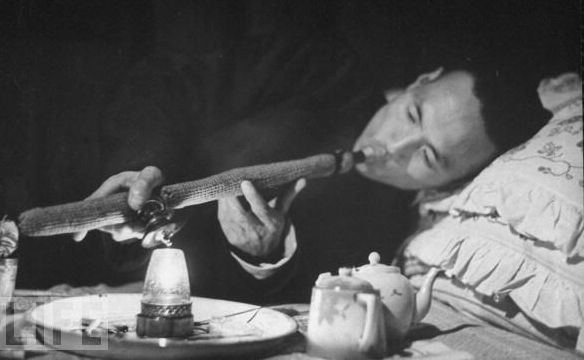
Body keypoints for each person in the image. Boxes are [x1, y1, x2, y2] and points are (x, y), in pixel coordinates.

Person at [72, 50, 550, 304]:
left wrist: (262, 258)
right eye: (413, 114)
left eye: (427, 157)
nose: (390, 149)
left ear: (447, 185)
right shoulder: (325, 73)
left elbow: (291, 309)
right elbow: (170, 82)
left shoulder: (386, 234)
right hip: (76, 168)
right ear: (423, 79)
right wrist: (142, 168)